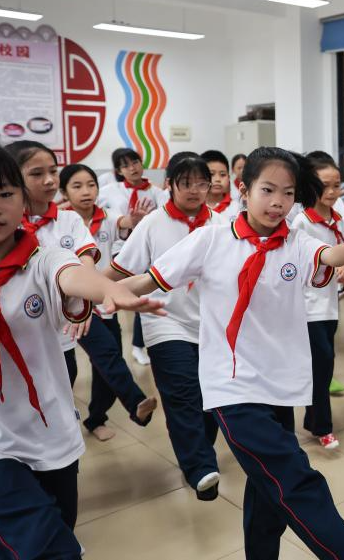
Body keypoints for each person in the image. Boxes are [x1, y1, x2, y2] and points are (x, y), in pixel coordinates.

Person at [118, 147, 344, 560]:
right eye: (268, 190)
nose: (278, 202)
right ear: (244, 189)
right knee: (298, 484)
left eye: (288, 193)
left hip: (279, 387)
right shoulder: (210, 239)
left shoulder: (295, 242)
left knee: (265, 492)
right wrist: (97, 296)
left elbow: (327, 255)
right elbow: (150, 279)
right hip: (233, 388)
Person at [0, 141, 164, 560]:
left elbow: (70, 272)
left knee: (55, 526)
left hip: (50, 431)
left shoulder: (41, 256)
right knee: (46, 547)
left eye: (4, 193)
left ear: (21, 199)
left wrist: (106, 289)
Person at [107, 153, 226, 501]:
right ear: (169, 185)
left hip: (212, 325)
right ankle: (200, 467)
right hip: (165, 322)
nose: (195, 190)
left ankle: (199, 451)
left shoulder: (221, 224)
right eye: (186, 183)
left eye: (201, 183)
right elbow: (122, 269)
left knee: (210, 397)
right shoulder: (153, 224)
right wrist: (88, 293)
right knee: (182, 393)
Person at [59, 163, 157, 441]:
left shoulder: (107, 217)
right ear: (64, 191)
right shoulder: (60, 222)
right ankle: (136, 403)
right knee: (107, 355)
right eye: (77, 186)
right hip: (73, 308)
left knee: (105, 364)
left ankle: (96, 418)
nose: (86, 191)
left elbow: (123, 222)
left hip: (105, 304)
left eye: (91, 185)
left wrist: (135, 221)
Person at [4, 141, 98, 387]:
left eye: (53, 171)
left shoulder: (69, 219)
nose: (49, 181)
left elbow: (86, 262)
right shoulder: (4, 223)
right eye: (37, 174)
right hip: (16, 331)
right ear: (13, 177)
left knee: (65, 380)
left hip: (60, 330)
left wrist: (84, 300)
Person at [291, 155, 344, 449]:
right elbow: (296, 265)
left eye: (336, 185)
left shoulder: (338, 217)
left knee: (323, 366)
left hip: (329, 304)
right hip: (307, 307)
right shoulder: (302, 222)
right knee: (322, 364)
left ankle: (313, 419)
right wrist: (329, 266)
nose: (332, 192)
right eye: (324, 185)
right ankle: (322, 427)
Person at [98, 147, 161, 367]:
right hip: (120, 249)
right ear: (118, 171)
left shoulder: (156, 192)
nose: (132, 168)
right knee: (113, 294)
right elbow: (96, 211)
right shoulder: (109, 191)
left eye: (135, 162)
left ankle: (138, 345)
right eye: (125, 166)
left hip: (147, 250)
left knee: (144, 295)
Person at [201, 149, 241, 217]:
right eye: (211, 174)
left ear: (228, 177)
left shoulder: (237, 208)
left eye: (222, 175)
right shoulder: (193, 207)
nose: (217, 179)